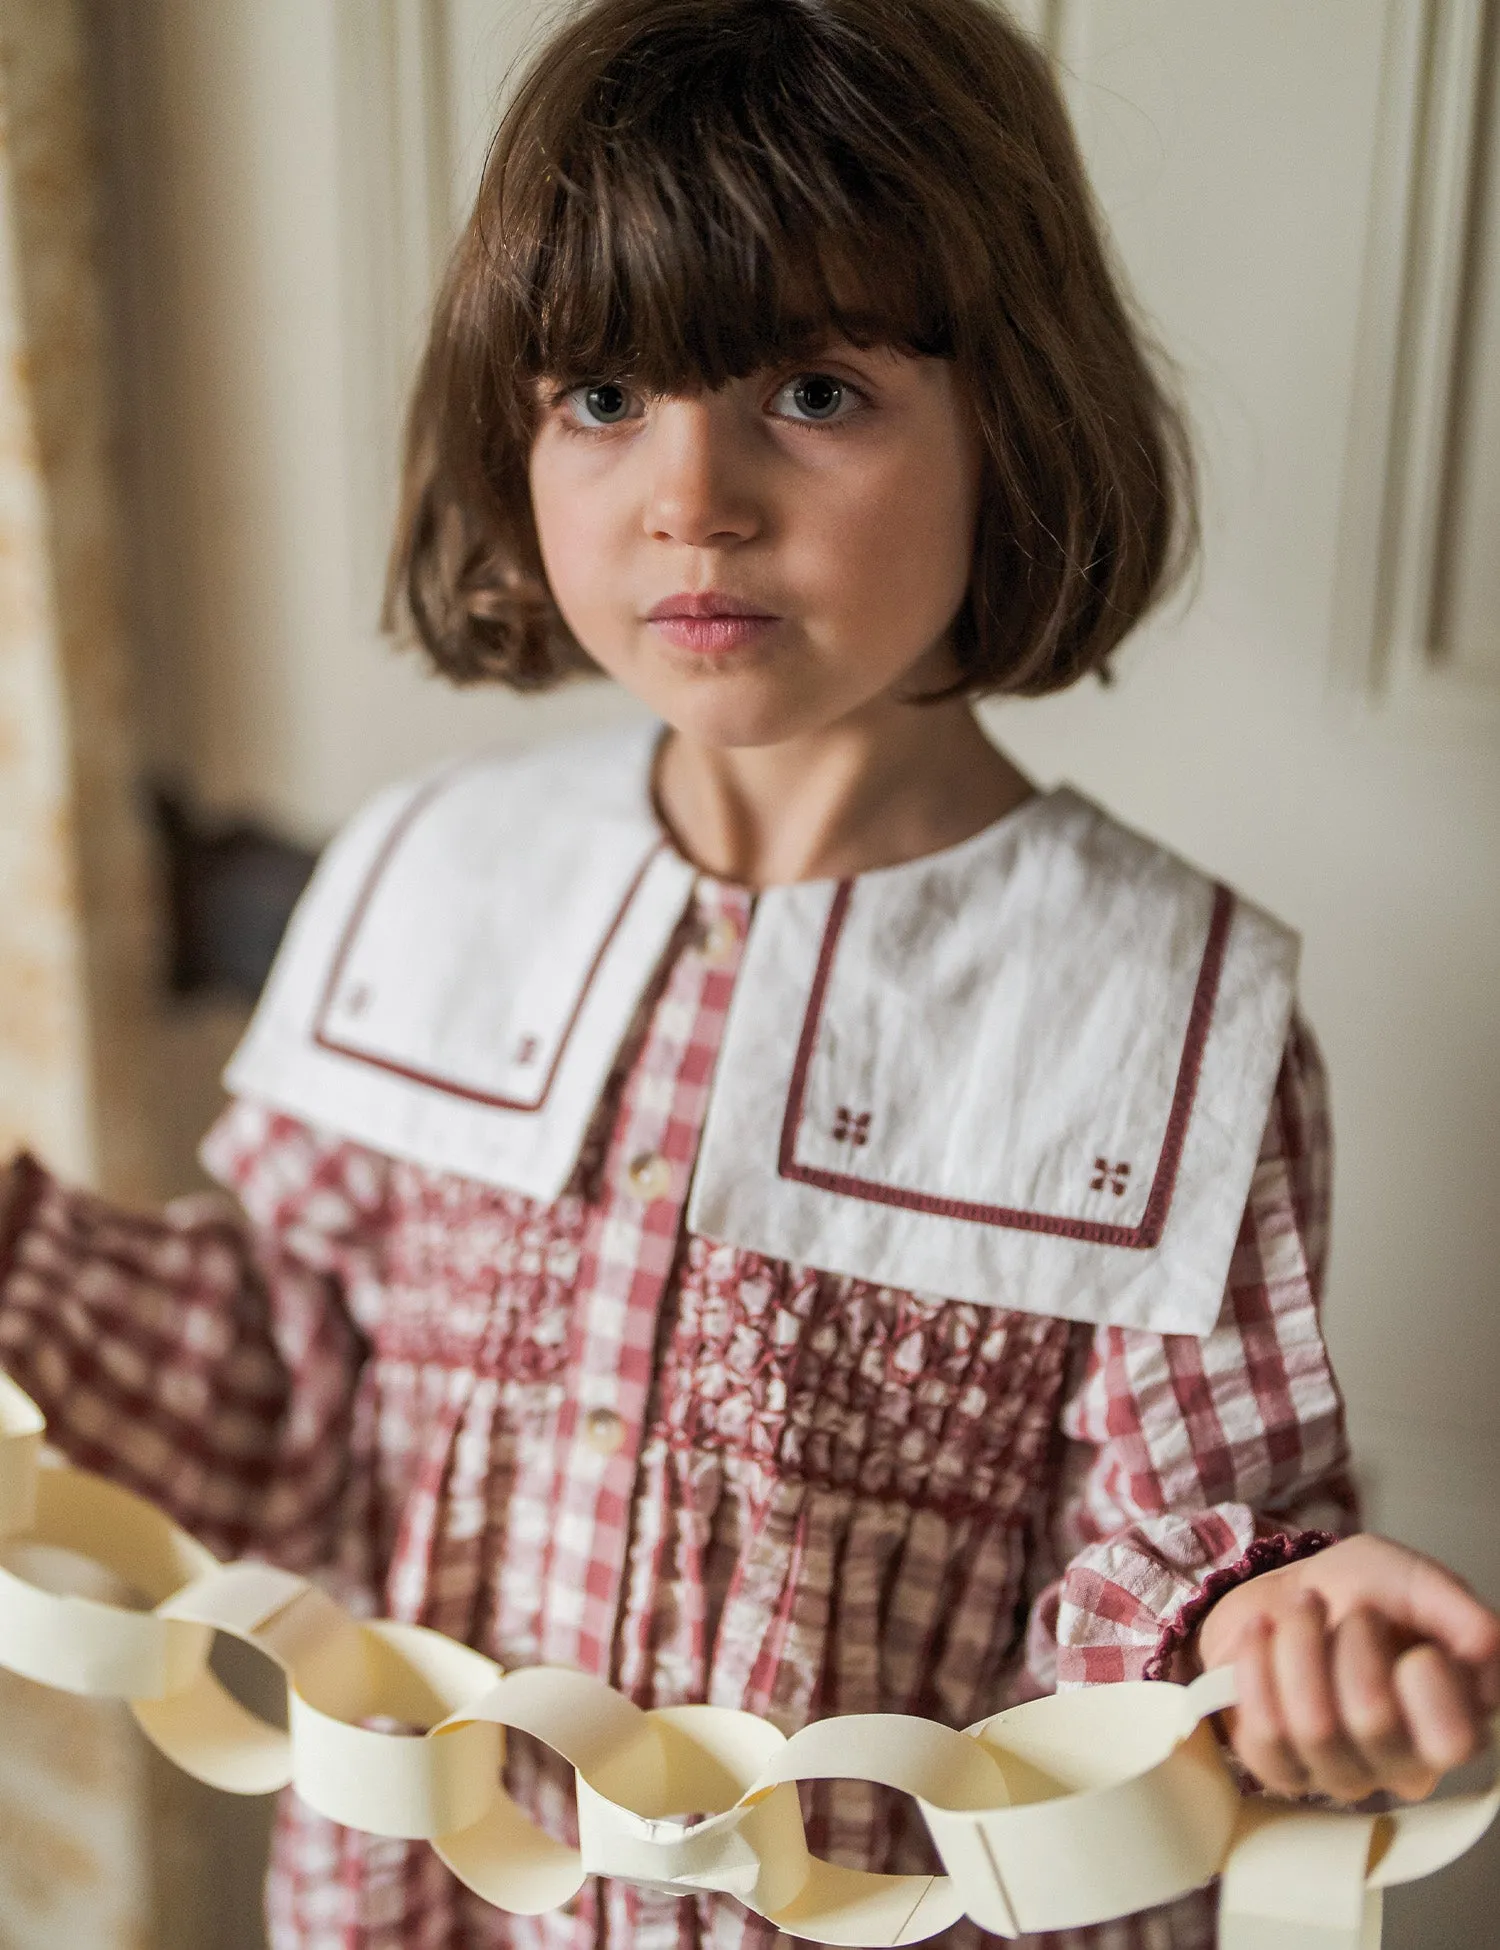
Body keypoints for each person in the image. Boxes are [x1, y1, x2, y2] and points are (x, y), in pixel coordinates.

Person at [2, 1, 1496, 1945]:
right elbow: (280, 1397)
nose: (689, 496)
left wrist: (1271, 1632)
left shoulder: (1163, 1016)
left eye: (810, 388)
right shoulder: (430, 885)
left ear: (1009, 412)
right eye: (603, 396)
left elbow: (1164, 1567)